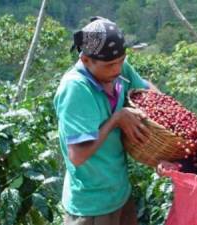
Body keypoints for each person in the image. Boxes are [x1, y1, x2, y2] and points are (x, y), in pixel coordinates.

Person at [54, 16, 153, 225]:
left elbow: (148, 94)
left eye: (121, 61)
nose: (117, 70)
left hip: (119, 193)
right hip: (91, 206)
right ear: (85, 60)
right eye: (109, 65)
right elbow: (78, 155)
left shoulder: (119, 69)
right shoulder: (76, 89)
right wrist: (116, 119)